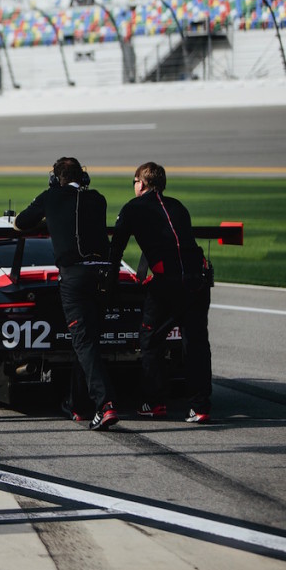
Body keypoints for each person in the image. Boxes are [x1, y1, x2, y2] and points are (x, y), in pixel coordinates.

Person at [14, 157, 119, 431]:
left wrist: (49, 215)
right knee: (88, 342)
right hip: (103, 274)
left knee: (83, 342)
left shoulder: (51, 196)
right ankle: (78, 404)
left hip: (75, 275)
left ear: (54, 178)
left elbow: (21, 223)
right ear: (84, 178)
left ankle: (105, 404)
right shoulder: (98, 199)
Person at [108, 162, 213, 424]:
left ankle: (154, 403)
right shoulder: (178, 206)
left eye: (134, 181)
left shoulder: (132, 208)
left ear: (141, 183)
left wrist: (109, 282)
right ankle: (200, 407)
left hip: (168, 285)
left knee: (150, 340)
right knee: (196, 345)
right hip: (198, 281)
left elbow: (116, 250)